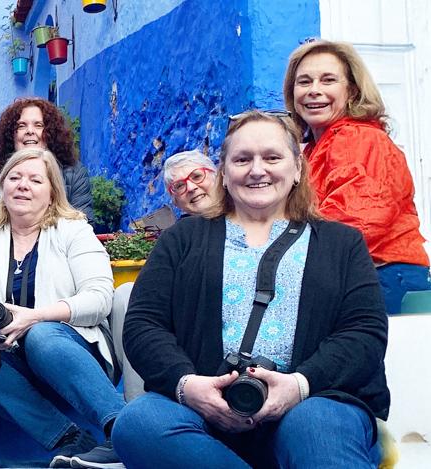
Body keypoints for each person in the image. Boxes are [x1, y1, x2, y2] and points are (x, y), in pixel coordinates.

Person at [113, 110, 389, 468]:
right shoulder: (182, 240)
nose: (257, 169)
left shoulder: (342, 243)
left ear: (298, 168)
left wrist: (300, 385)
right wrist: (188, 385)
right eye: (242, 159)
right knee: (139, 424)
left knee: (317, 430)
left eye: (272, 157)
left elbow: (364, 331)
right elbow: (143, 323)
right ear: (224, 174)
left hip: (315, 400)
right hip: (203, 413)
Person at [0, 148, 123, 469]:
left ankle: (122, 431)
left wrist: (36, 317)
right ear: (2, 187)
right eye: (14, 177)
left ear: (52, 192)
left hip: (71, 358)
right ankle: (69, 439)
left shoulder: (74, 231)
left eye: (35, 180)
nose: (23, 185)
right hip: (11, 366)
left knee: (40, 335)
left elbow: (99, 297)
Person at [282, 39, 430, 314]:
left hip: (381, 277)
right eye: (304, 82)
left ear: (351, 90)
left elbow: (356, 221)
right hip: (363, 276)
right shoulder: (316, 148)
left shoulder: (356, 137)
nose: (315, 90)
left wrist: (279, 251)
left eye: (328, 80)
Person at [0, 98, 96, 236]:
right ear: (11, 134)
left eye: (38, 125)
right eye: (21, 125)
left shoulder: (74, 173)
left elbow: (83, 223)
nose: (30, 131)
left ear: (51, 132)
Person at [163, 150, 218, 216]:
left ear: (217, 177)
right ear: (175, 202)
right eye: (180, 186)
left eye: (197, 176)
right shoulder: (182, 226)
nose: (191, 188)